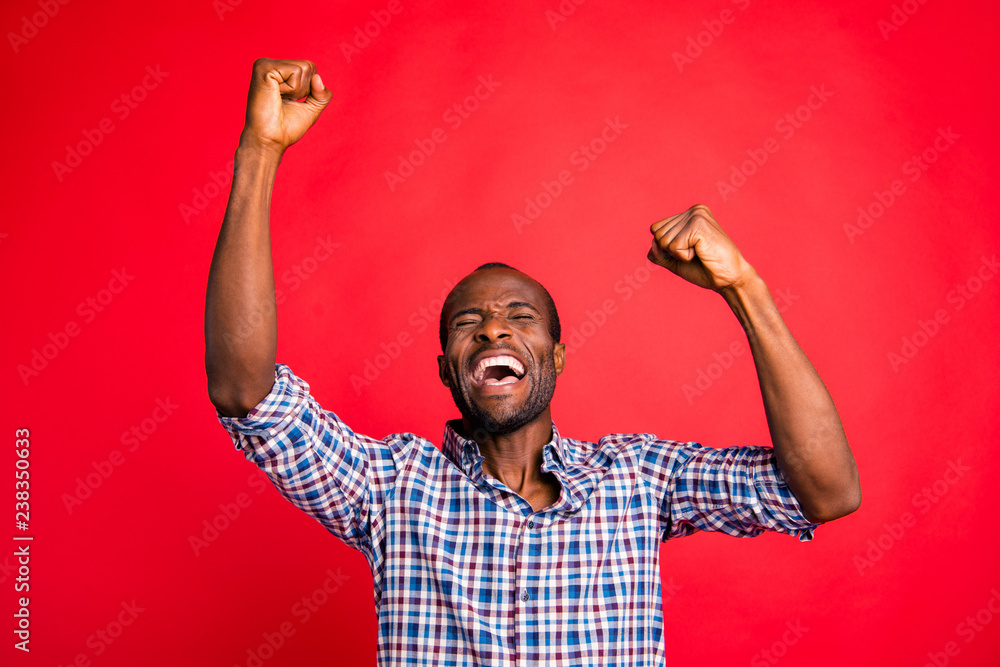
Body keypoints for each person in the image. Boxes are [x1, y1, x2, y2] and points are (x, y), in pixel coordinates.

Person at [205, 58, 861, 665]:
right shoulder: (391, 487)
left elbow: (827, 491)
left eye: (520, 318)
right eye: (469, 322)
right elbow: (245, 392)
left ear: (558, 356)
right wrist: (259, 150)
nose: (493, 327)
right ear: (445, 370)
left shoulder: (636, 479)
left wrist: (744, 289)